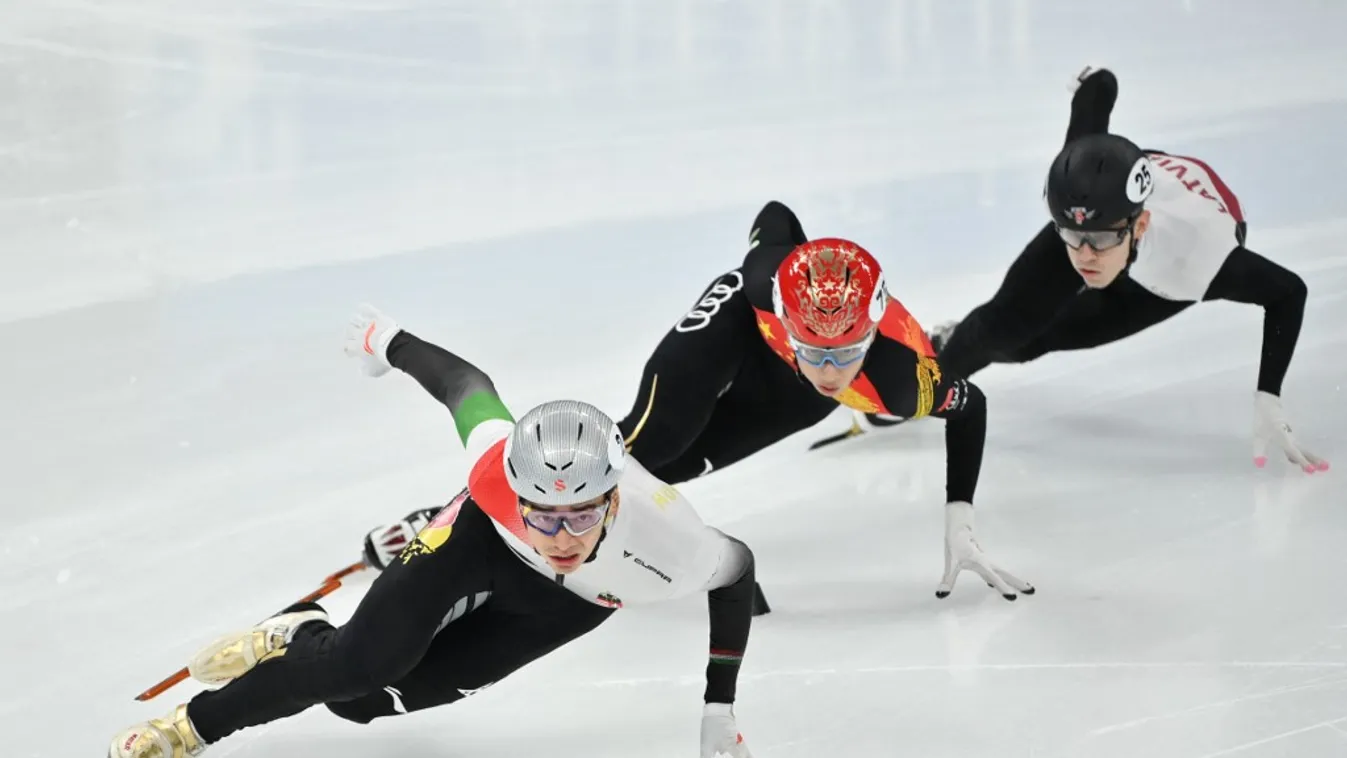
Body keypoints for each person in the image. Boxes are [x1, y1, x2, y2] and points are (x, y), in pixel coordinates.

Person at [109, 305, 759, 758]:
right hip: (479, 539)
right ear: (517, 489)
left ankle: (299, 633)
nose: (560, 536)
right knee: (358, 665)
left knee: (362, 704)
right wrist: (388, 342)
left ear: (615, 500)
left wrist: (716, 708)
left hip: (571, 602)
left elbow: (737, 572)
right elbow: (464, 386)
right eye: (542, 512)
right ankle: (189, 729)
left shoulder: (669, 539)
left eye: (582, 515)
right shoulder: (495, 473)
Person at [364, 202, 1033, 605]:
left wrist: (958, 518)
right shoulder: (764, 281)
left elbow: (967, 408)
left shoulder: (898, 379)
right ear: (787, 314)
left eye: (844, 352)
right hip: (732, 331)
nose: (830, 370)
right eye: (816, 348)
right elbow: (774, 219)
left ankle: (558, 523)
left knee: (673, 470)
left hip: (782, 382)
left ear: (872, 328)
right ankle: (454, 518)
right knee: (639, 449)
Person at [926, 65, 1328, 474]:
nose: (1084, 256)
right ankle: (928, 369)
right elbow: (1098, 91)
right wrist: (1095, 81)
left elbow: (1288, 291)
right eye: (1069, 236)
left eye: (1098, 242)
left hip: (1162, 269)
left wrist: (1268, 394)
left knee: (1043, 339)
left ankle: (946, 355)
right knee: (1006, 328)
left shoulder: (1199, 260)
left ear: (1140, 225)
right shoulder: (1080, 177)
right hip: (1112, 208)